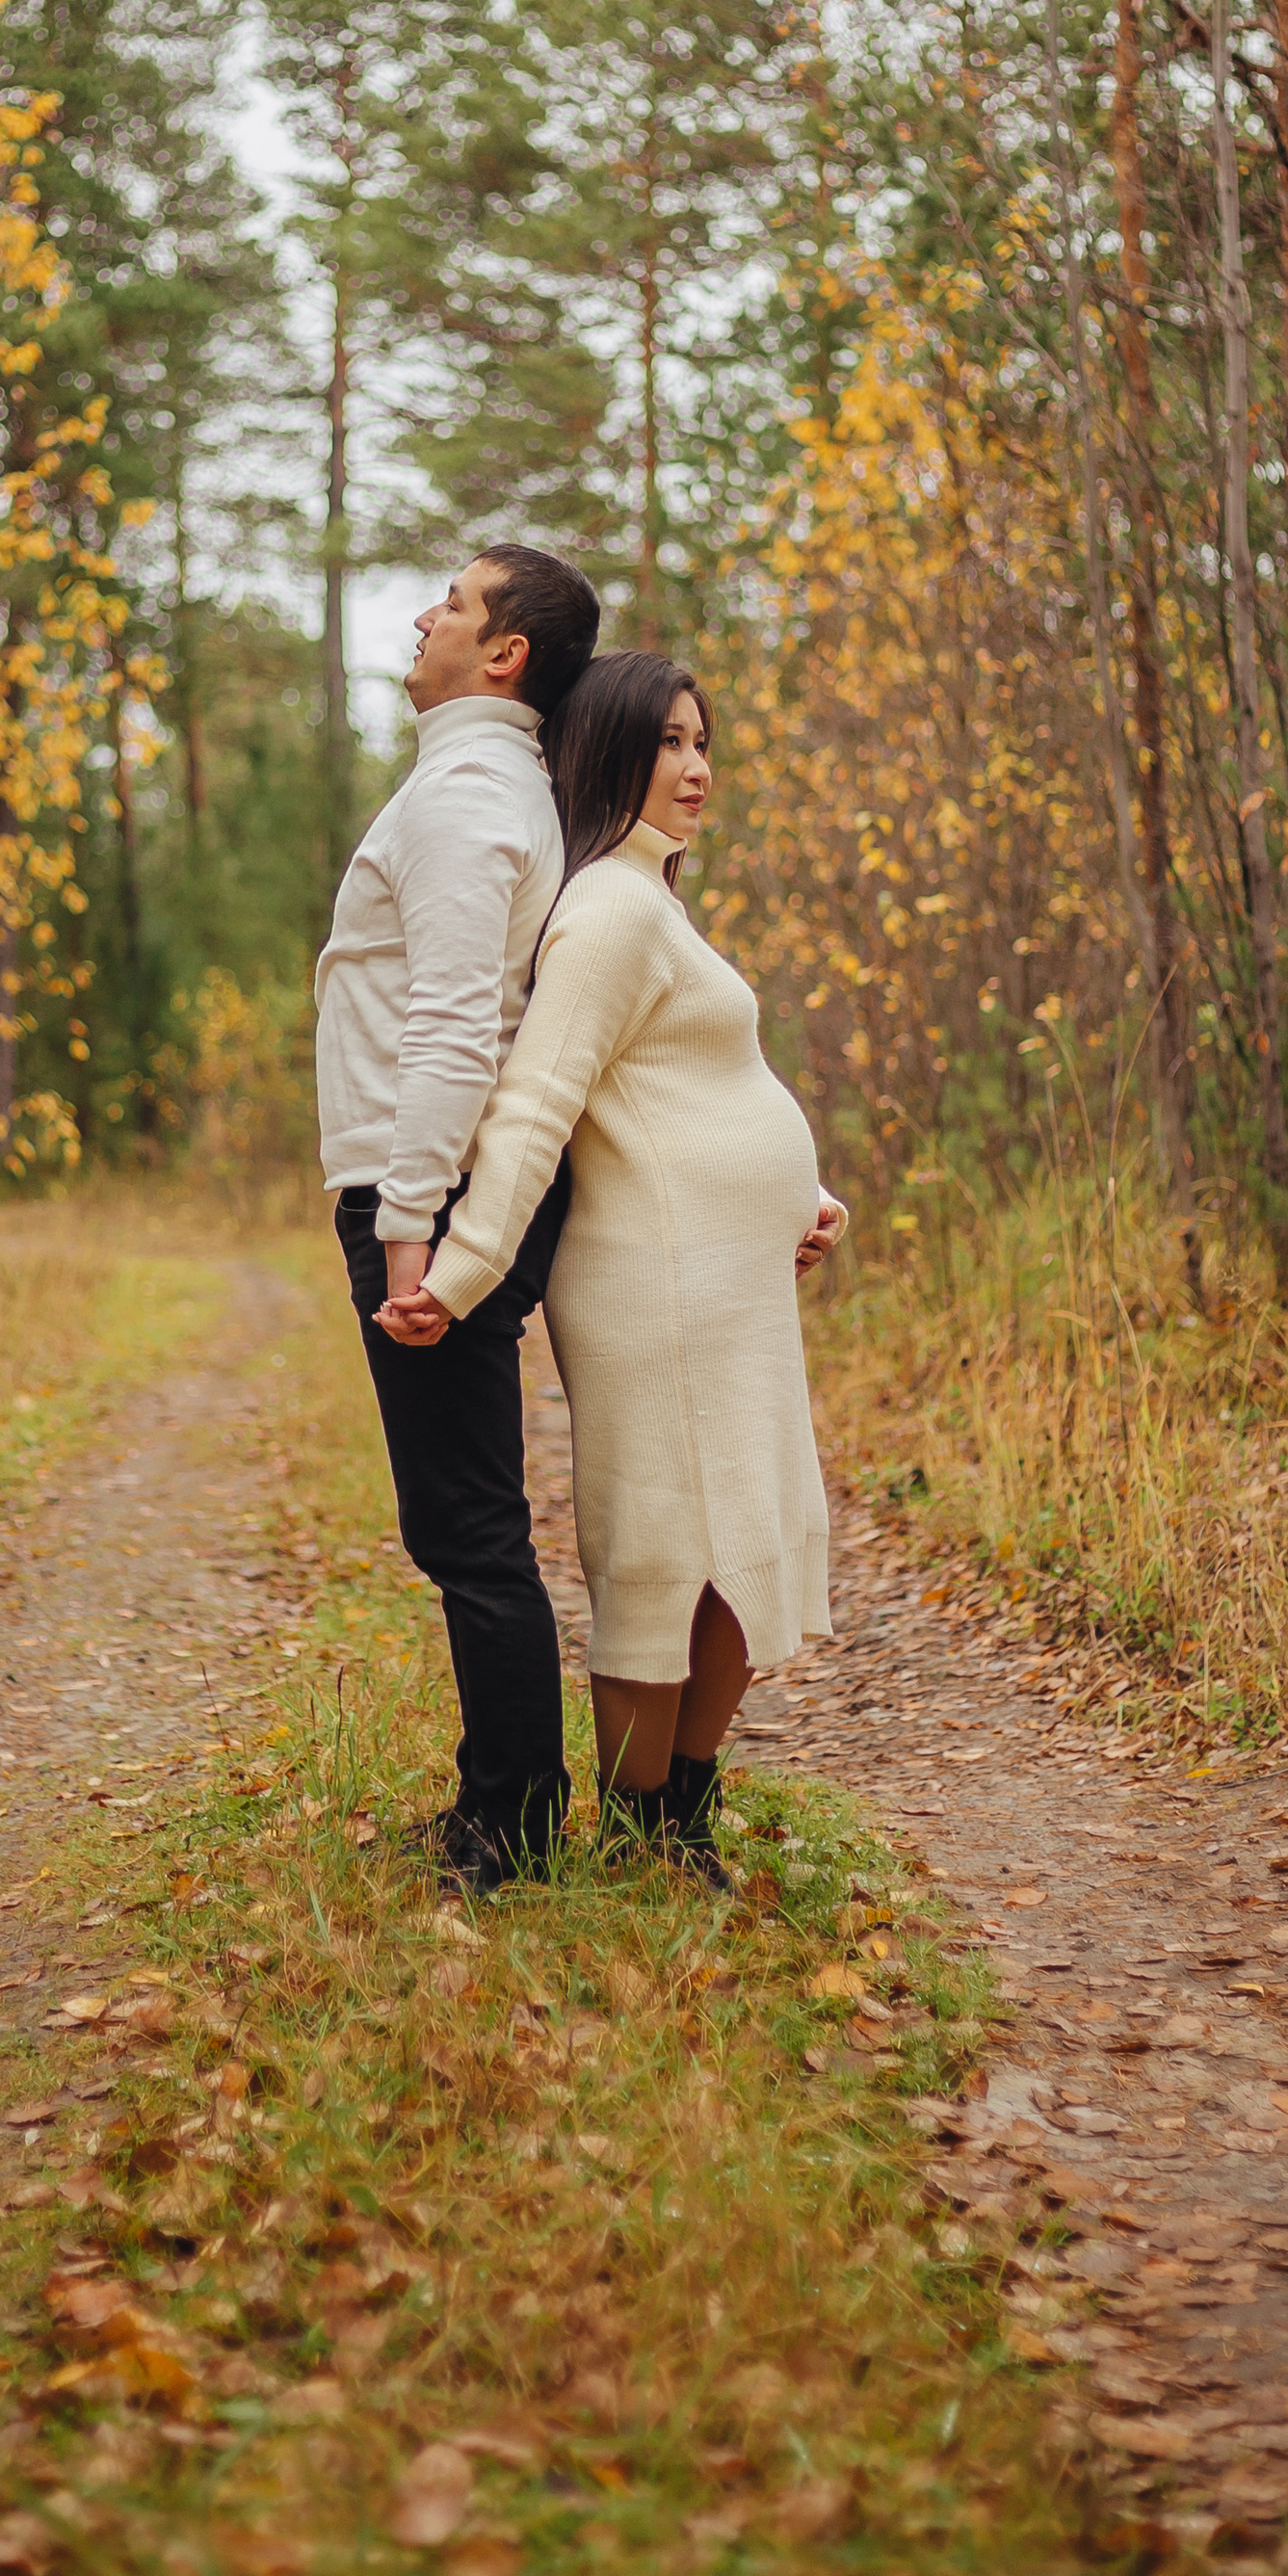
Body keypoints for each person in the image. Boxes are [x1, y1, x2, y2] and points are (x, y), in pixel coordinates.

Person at [379, 649, 846, 1884]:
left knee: (738, 1537)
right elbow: (533, 1107)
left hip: (724, 1280)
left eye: (704, 744)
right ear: (607, 755)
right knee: (664, 1553)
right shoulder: (608, 906)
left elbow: (698, 1087)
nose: (695, 769)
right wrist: (462, 1270)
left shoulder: (652, 900)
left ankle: (678, 1820)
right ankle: (646, 1832)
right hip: (660, 1287)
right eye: (669, 744)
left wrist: (801, 1195)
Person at [316, 541, 601, 1893]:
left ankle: (514, 1827)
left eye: (456, 600)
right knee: (471, 1515)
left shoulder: (471, 795)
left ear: (504, 658)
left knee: (468, 1525)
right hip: (431, 1181)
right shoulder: (488, 788)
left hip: (417, 1183)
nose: (427, 613)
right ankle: (513, 1800)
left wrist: (409, 1226)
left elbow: (449, 1026)